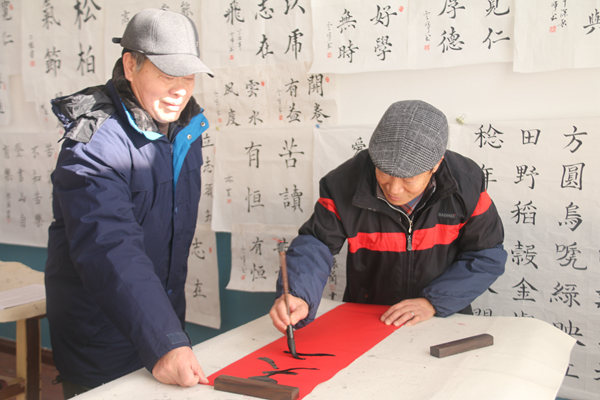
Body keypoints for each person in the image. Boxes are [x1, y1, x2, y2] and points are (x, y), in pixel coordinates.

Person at [44, 9, 213, 397]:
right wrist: (165, 340)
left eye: (188, 76)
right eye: (167, 75)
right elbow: (111, 248)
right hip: (101, 333)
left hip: (161, 323)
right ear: (130, 65)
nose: (180, 90)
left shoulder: (186, 129)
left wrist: (167, 335)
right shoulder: (95, 145)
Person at [270, 100, 507, 334]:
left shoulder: (466, 183)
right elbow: (317, 243)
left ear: (436, 165)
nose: (393, 189)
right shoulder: (343, 184)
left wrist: (433, 302)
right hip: (369, 317)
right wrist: (298, 294)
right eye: (383, 172)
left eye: (408, 179)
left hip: (443, 318)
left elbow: (486, 254)